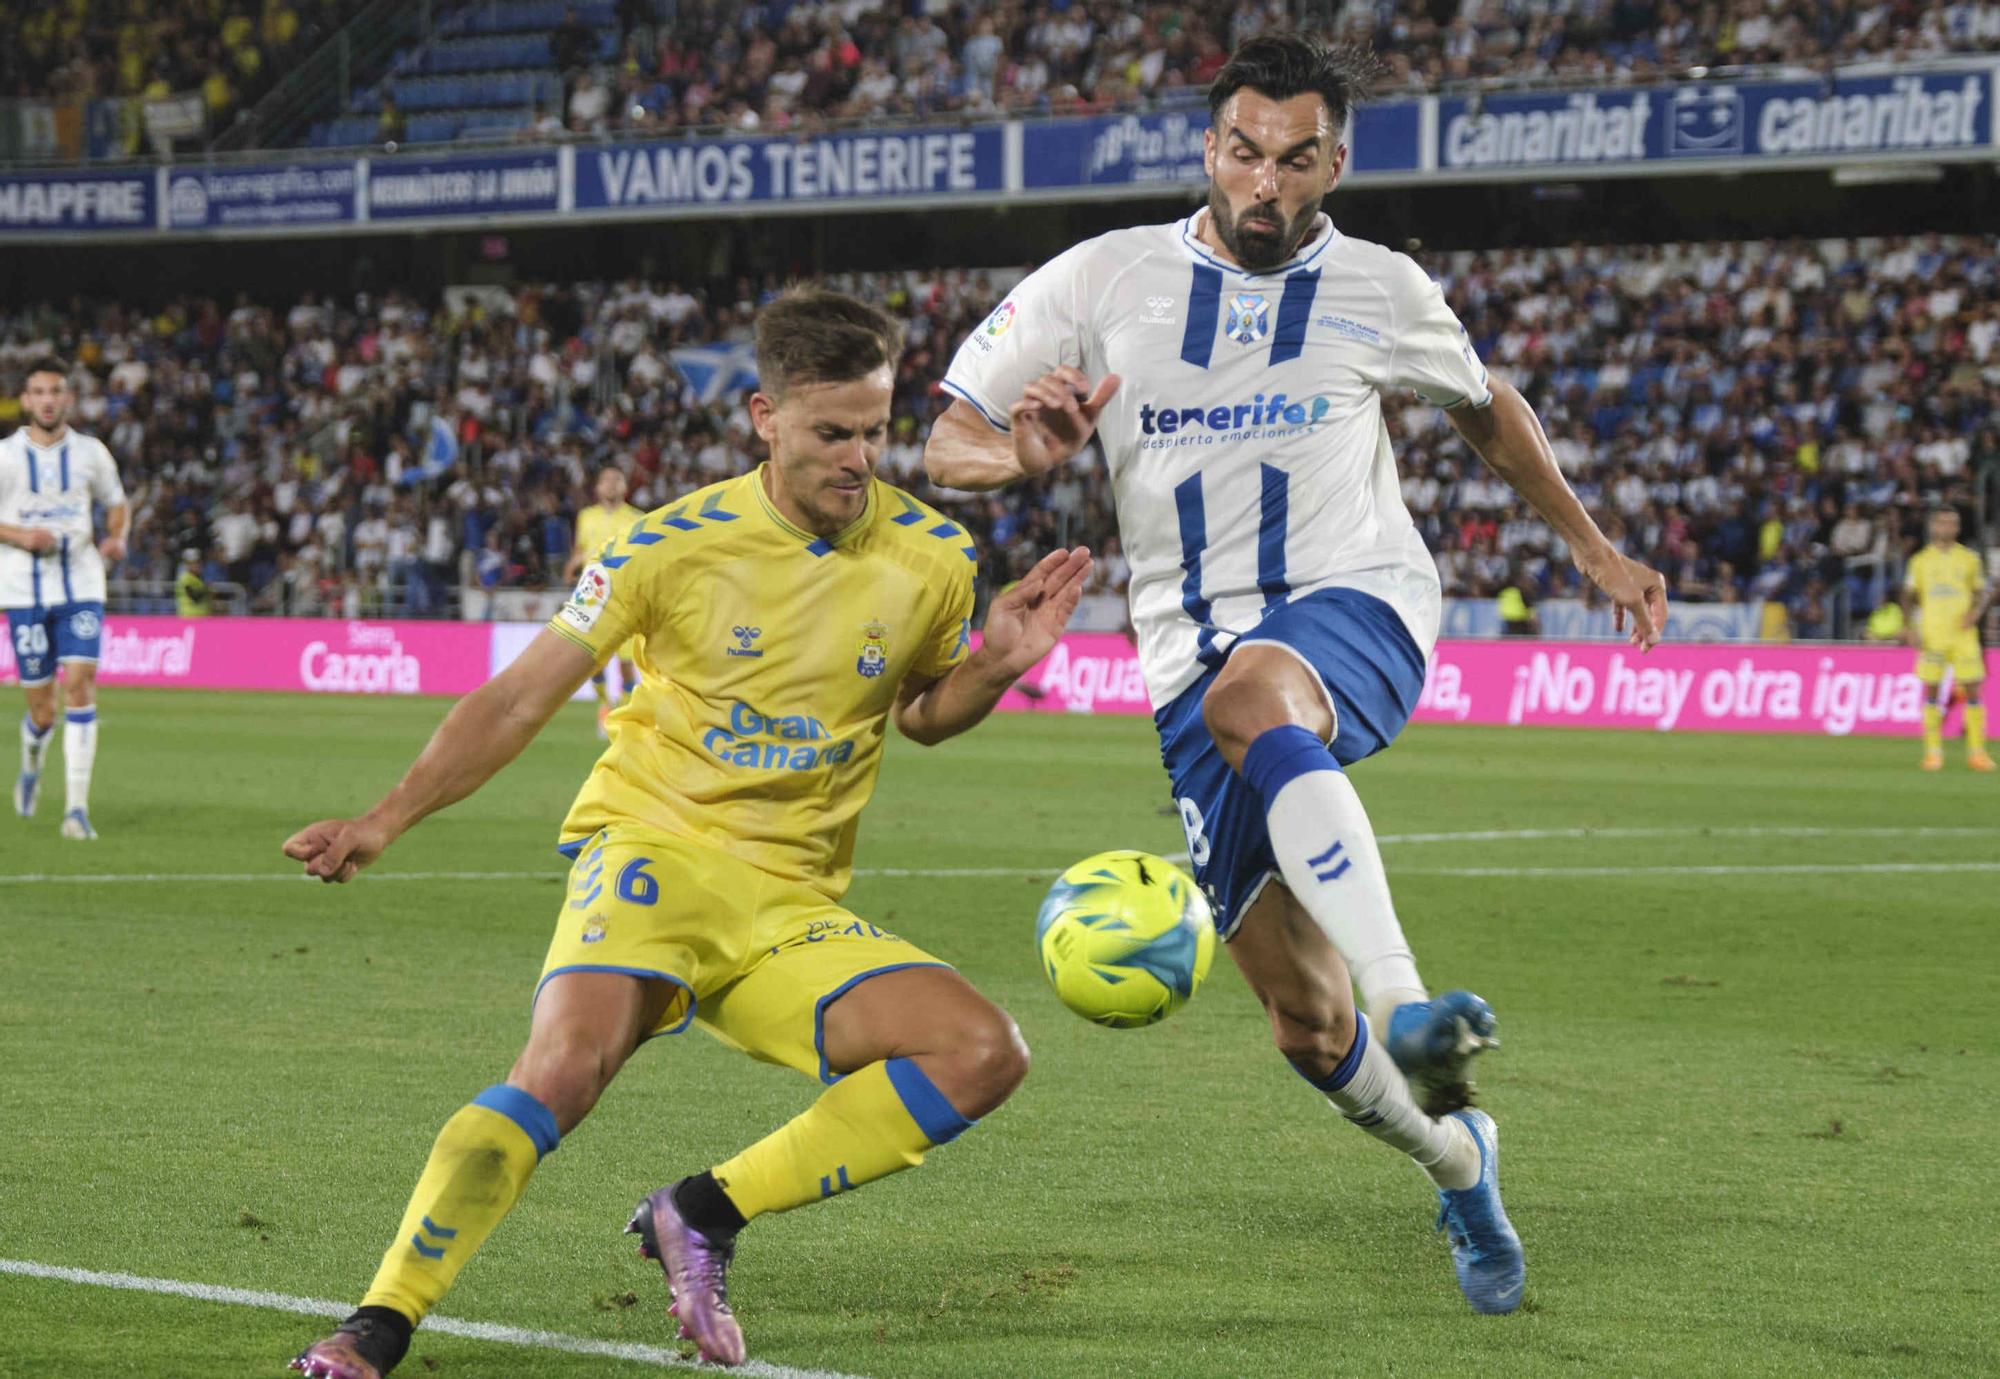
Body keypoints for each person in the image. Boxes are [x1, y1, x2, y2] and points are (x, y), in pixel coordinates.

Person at [925, 34, 1667, 1316]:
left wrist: (1590, 545)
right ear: (1209, 150)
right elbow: (949, 439)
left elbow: (1481, 403)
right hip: (1185, 663)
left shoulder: (1379, 285)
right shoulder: (1103, 276)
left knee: (1255, 696)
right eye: (1243, 152)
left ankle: (1416, 1004)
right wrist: (1024, 457)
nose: (1264, 182)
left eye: (1295, 158)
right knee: (1306, 1026)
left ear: (1336, 160)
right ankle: (1458, 1161)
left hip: (1358, 603)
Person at [284, 288, 1092, 1378]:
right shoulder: (669, 545)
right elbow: (518, 697)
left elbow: (919, 716)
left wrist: (990, 665)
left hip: (791, 901)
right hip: (653, 852)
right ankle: (378, 1319)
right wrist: (384, 820)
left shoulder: (933, 553)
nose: (860, 457)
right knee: (563, 1068)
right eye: (831, 432)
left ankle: (701, 1209)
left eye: (875, 428)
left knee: (980, 1050)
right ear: (763, 416)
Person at [1, 357, 130, 840]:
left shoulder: (91, 453)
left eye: (56, 391)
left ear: (68, 398)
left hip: (81, 582)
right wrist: (19, 535)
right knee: (42, 710)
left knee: (80, 682)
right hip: (21, 589)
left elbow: (117, 504)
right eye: (38, 392)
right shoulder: (5, 457)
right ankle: (32, 761)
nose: (48, 400)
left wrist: (116, 537)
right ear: (26, 400)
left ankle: (76, 810)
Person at [1900, 506, 1992, 772]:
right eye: (1941, 523)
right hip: (1932, 634)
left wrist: (1975, 612)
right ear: (1932, 527)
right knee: (1931, 691)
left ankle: (1976, 752)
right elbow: (1908, 594)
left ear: (1958, 528)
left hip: (1963, 635)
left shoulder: (1969, 559)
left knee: (1973, 689)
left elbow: (1982, 591)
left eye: (1951, 523)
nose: (1946, 528)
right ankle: (1933, 753)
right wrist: (1910, 627)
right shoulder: (1920, 561)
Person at [565, 465, 645, 737]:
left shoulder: (637, 518)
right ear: (597, 488)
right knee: (592, 661)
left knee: (626, 666)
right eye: (606, 480)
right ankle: (604, 704)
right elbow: (581, 548)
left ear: (625, 487)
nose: (611, 485)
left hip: (625, 598)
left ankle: (621, 713)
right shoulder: (586, 517)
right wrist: (571, 567)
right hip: (591, 598)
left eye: (616, 480)